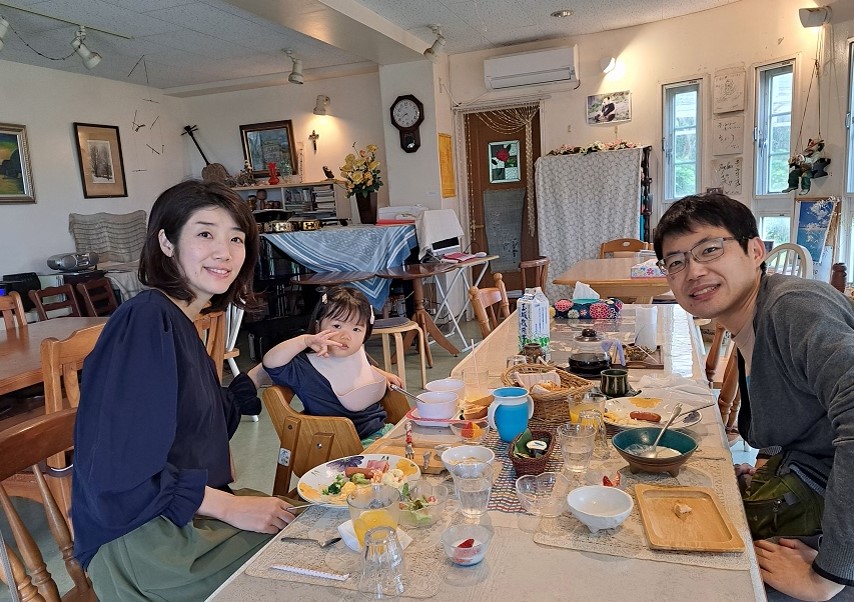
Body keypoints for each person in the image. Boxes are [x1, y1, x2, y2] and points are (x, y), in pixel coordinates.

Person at [72, 180, 297, 601]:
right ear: (166, 242)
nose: (224, 252)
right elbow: (123, 469)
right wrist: (231, 507)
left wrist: (264, 371)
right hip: (142, 540)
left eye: (236, 239)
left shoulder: (178, 319)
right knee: (307, 560)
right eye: (205, 233)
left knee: (315, 530)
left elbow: (202, 425)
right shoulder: (146, 320)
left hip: (183, 519)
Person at [653, 193, 853, 601]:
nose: (693, 271)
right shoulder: (748, 321)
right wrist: (768, 468)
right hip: (808, 493)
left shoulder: (793, 308)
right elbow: (795, 411)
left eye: (710, 249)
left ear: (755, 251)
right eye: (675, 262)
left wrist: (830, 575)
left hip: (835, 534)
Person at [261, 286, 403, 444]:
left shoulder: (357, 353)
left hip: (381, 431)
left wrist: (380, 374)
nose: (346, 336)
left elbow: (361, 373)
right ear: (318, 326)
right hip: (343, 445)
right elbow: (270, 362)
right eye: (337, 326)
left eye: (356, 329)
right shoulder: (303, 367)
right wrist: (304, 340)